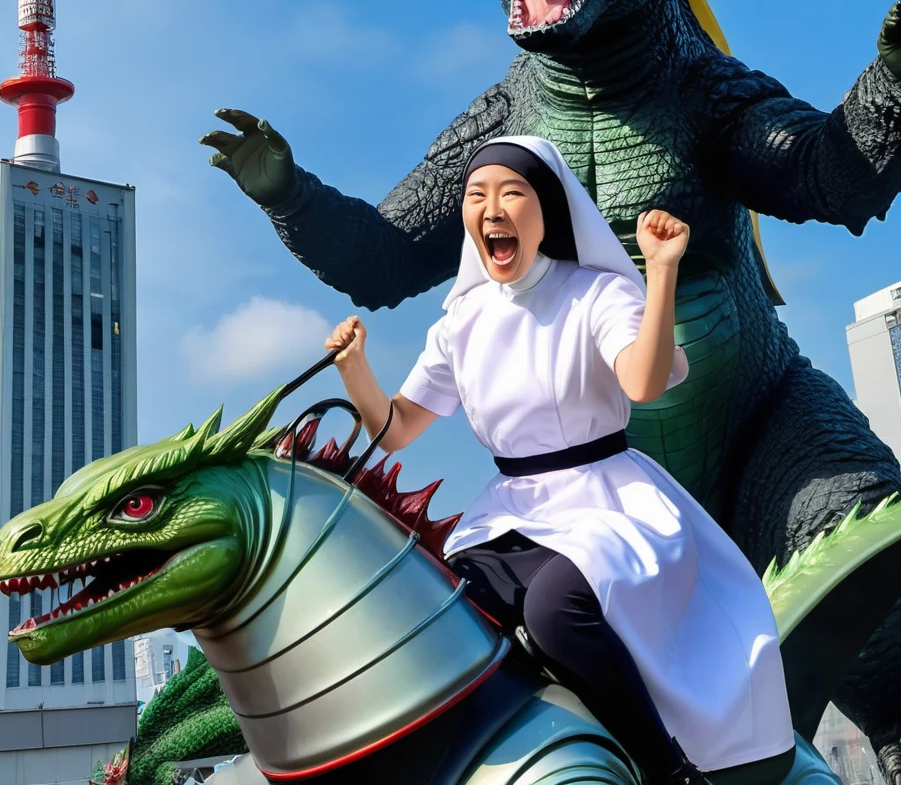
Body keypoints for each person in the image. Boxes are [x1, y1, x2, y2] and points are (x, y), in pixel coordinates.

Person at [324, 135, 796, 785]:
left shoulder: (597, 294)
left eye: (511, 193)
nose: (492, 207)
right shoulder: (459, 322)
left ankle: (667, 769)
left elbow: (644, 382)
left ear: (545, 210)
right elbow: (398, 427)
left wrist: (659, 274)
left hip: (608, 502)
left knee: (554, 610)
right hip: (509, 511)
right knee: (440, 606)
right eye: (476, 196)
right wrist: (355, 371)